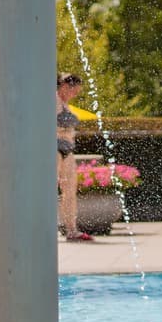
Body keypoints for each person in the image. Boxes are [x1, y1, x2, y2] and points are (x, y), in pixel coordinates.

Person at [56, 73, 94, 243]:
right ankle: (48, 226)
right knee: (51, 189)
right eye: (74, 91)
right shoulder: (52, 100)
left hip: (68, 150)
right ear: (64, 86)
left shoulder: (67, 106)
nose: (75, 95)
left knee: (70, 190)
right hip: (54, 149)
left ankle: (71, 228)